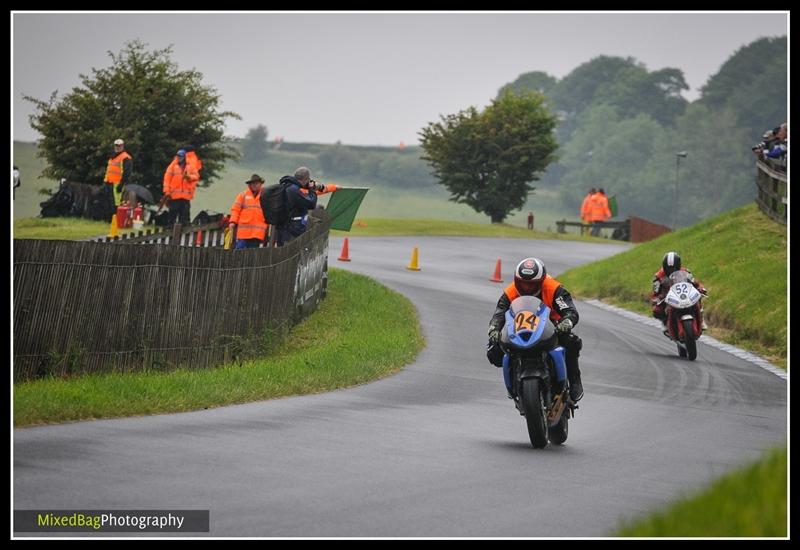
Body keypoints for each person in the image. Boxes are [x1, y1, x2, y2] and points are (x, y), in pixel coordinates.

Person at [486, 257, 584, 402]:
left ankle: (575, 379)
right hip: (520, 327)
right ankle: (513, 382)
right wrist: (494, 329)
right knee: (493, 350)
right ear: (517, 280)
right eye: (522, 283)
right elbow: (499, 312)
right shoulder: (511, 291)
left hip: (551, 326)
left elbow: (570, 310)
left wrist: (566, 322)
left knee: (571, 341)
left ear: (541, 281)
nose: (526, 288)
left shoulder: (553, 288)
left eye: (531, 285)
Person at [650, 251, 708, 334]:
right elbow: (655, 291)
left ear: (678, 265)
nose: (671, 270)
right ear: (664, 266)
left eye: (674, 267)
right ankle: (665, 323)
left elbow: (694, 282)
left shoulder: (685, 272)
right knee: (657, 310)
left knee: (697, 297)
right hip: (667, 295)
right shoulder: (658, 276)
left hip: (683, 293)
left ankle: (701, 320)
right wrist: (657, 298)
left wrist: (700, 288)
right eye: (669, 268)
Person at [275, 167, 320, 246]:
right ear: (306, 179)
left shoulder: (286, 185)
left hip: (282, 227)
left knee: (282, 253)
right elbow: (311, 204)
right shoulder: (294, 190)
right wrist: (312, 189)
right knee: (290, 253)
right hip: (291, 229)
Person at [162, 148, 200, 226]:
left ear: (185, 157)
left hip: (185, 197)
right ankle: (170, 230)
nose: (179, 158)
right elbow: (167, 179)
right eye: (178, 156)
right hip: (174, 196)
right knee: (172, 216)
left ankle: (184, 234)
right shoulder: (172, 166)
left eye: (181, 156)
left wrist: (189, 177)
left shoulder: (191, 166)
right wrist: (167, 191)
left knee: (184, 217)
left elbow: (196, 176)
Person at [229, 174, 268, 249]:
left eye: (256, 183)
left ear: (261, 184)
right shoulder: (243, 195)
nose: (254, 185)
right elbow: (235, 210)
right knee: (239, 251)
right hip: (243, 232)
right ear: (249, 185)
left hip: (257, 233)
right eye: (252, 183)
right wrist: (232, 222)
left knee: (252, 254)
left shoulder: (265, 196)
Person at [104, 138, 133, 207]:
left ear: (123, 146)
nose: (117, 147)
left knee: (117, 202)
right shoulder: (112, 156)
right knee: (109, 202)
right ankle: (111, 216)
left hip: (117, 183)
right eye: (116, 146)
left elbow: (127, 172)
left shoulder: (125, 157)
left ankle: (117, 216)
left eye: (119, 146)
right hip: (109, 182)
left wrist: (121, 184)